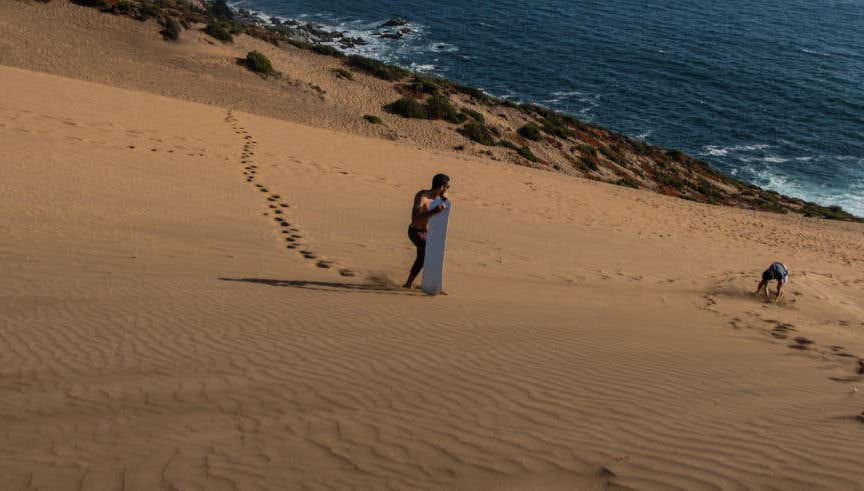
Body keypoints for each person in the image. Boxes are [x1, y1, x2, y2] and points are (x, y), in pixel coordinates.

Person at [403, 174, 450, 289]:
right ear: (441, 186)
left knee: (422, 257)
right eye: (447, 187)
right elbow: (415, 218)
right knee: (428, 253)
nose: (447, 190)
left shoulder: (442, 198)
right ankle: (429, 284)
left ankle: (410, 284)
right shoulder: (422, 197)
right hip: (415, 232)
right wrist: (433, 211)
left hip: (427, 233)